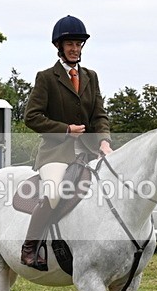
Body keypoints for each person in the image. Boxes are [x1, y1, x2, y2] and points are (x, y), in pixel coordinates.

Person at [21, 15, 113, 270]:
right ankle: (30, 248)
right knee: (53, 193)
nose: (75, 48)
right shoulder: (47, 78)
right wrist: (65, 130)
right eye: (70, 44)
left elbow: (99, 115)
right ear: (59, 47)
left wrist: (104, 142)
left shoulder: (90, 77)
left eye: (78, 44)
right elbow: (32, 117)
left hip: (89, 152)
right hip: (56, 153)